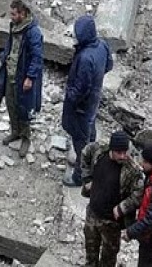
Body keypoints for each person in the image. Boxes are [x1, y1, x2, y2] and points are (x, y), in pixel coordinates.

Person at [79, 131, 144, 267]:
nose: (123, 156)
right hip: (92, 214)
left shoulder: (132, 169)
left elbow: (139, 193)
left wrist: (122, 208)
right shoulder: (99, 152)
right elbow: (85, 153)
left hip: (111, 223)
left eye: (125, 152)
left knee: (109, 258)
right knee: (90, 253)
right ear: (111, 149)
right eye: (118, 152)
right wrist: (87, 179)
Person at [62, 15, 112, 186]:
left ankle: (79, 176)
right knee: (90, 128)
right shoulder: (102, 45)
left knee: (79, 139)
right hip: (94, 99)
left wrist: (70, 95)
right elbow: (109, 65)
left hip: (81, 106)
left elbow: (81, 89)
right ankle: (92, 155)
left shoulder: (85, 58)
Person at [0, 0, 43, 158]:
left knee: (23, 108)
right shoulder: (14, 26)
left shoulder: (33, 32)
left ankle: (25, 137)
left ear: (23, 14)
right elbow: (10, 45)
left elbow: (37, 58)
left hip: (22, 76)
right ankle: (15, 131)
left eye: (14, 14)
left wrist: (30, 77)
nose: (11, 17)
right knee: (11, 103)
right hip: (11, 72)